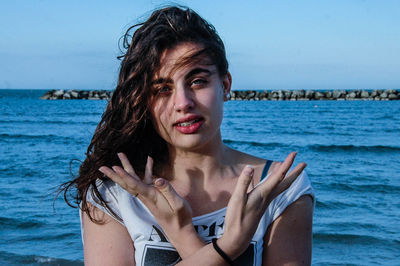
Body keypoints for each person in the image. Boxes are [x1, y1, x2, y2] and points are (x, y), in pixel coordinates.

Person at [62, 6, 314, 266]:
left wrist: (182, 234)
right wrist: (229, 246)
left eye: (197, 81)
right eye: (162, 89)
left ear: (225, 85)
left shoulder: (279, 189)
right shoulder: (116, 194)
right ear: (145, 101)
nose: (182, 103)